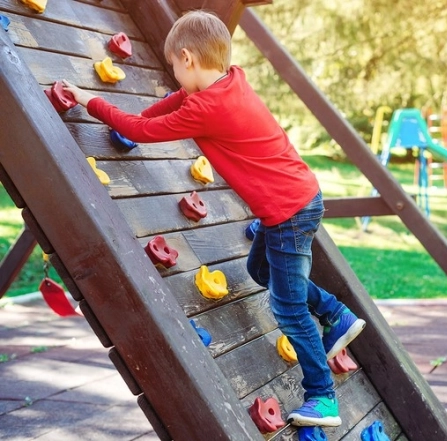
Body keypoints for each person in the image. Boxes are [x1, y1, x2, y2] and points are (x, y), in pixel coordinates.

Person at [63, 10, 365, 428]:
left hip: (287, 214)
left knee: (288, 306)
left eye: (173, 65)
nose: (174, 72)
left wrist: (88, 100)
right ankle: (335, 313)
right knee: (260, 268)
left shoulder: (208, 108)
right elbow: (162, 110)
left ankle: (322, 396)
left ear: (186, 58)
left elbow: (148, 130)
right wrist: (136, 124)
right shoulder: (228, 82)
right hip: (298, 200)